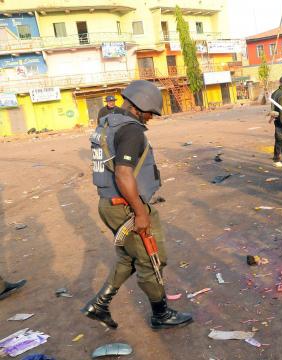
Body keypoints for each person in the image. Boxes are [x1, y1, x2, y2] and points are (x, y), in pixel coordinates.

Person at [83, 80, 192, 330]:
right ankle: (161, 314)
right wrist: (141, 213)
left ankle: (99, 305)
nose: (151, 118)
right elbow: (123, 173)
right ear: (139, 105)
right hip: (126, 206)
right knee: (152, 258)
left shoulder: (107, 123)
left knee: (128, 258)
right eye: (150, 112)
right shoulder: (130, 130)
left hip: (109, 203)